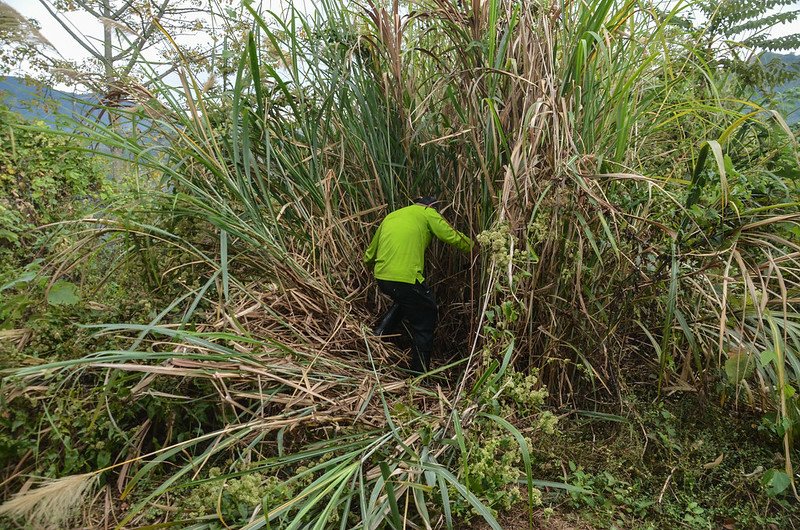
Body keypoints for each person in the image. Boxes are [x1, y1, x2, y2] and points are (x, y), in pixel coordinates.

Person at [363, 196, 473, 373]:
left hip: (382, 277)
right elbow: (451, 236)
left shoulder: (392, 215)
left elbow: (369, 253)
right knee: (426, 315)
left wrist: (372, 266)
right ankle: (419, 374)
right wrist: (474, 247)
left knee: (407, 301)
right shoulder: (428, 213)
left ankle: (377, 337)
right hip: (406, 278)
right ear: (432, 207)